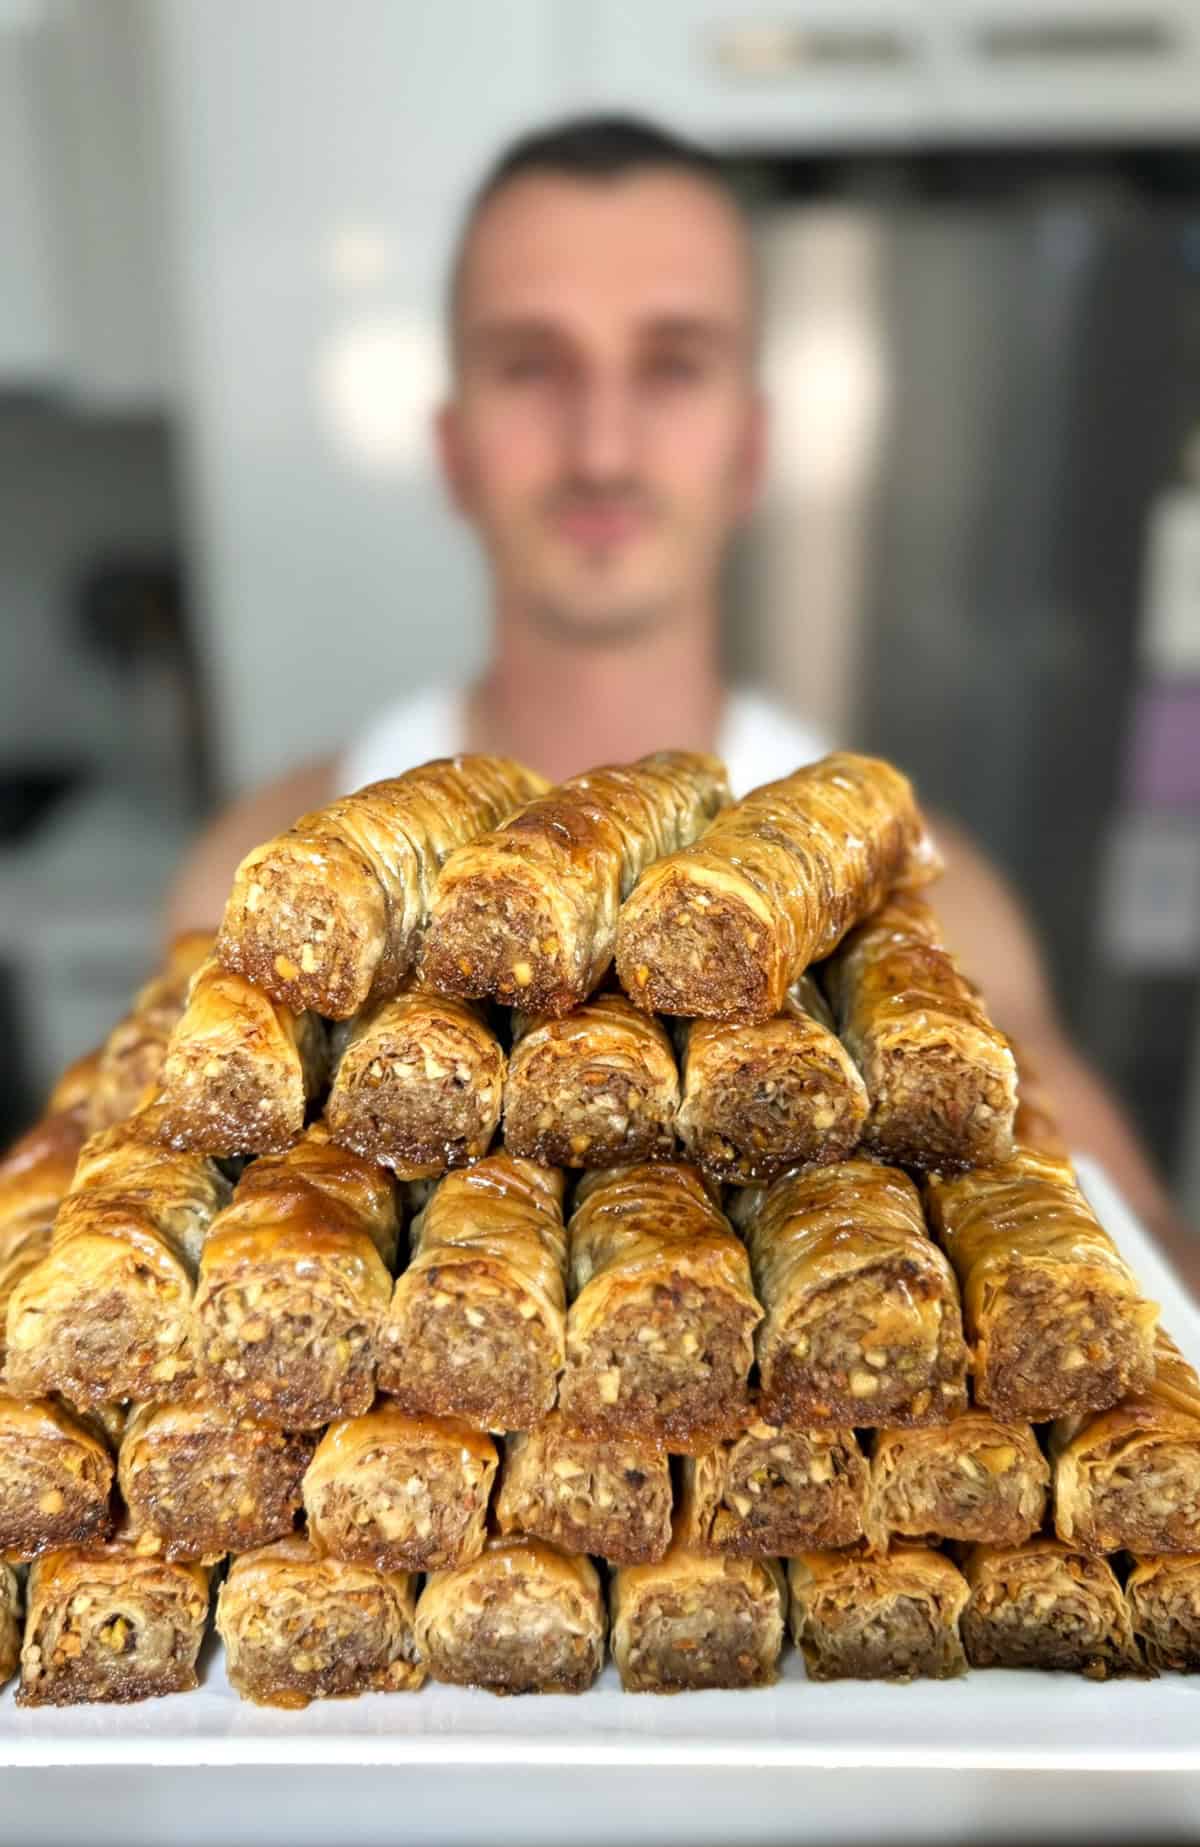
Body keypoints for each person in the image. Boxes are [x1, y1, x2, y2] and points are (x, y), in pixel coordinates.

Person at [168, 113, 1200, 1287]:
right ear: (454, 447)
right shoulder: (252, 897)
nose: (602, 447)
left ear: (750, 447)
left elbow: (1139, 1269)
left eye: (672, 365)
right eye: (531, 364)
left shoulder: (931, 906)